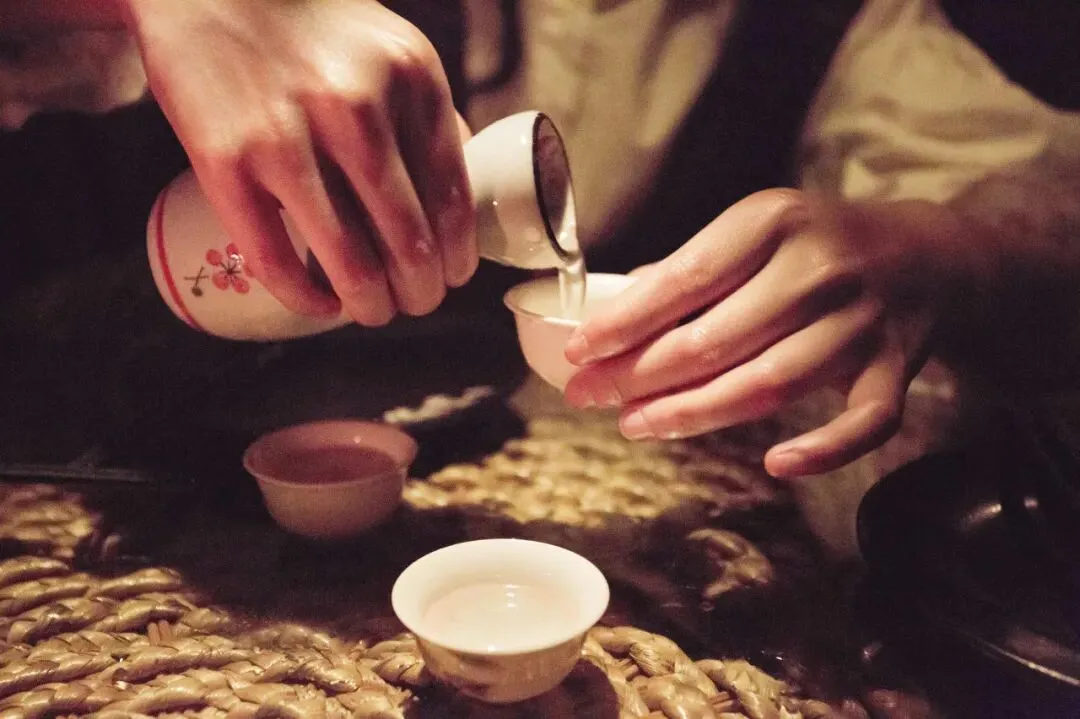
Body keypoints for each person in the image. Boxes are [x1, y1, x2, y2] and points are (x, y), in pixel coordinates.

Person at [3, 0, 1078, 479]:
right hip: (100, 451)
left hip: (578, 485)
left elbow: (1051, 207)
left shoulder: (834, 20)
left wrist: (946, 250)